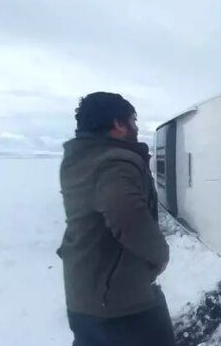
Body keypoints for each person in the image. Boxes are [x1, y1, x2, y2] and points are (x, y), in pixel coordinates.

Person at [57, 92, 175, 346]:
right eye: (133, 120)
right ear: (118, 123)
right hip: (120, 303)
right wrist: (160, 255)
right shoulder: (114, 162)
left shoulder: (79, 159)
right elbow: (127, 216)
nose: (136, 126)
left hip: (84, 296)